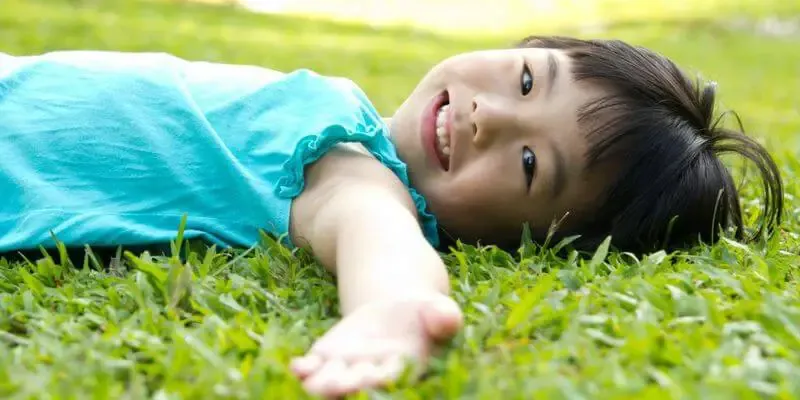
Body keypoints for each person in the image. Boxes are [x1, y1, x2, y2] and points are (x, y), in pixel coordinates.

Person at [0, 35, 783, 396]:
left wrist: (396, 308)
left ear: (526, 240)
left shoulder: (353, 170)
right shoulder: (347, 116)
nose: (490, 119)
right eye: (524, 79)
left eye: (530, 165)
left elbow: (370, 226)